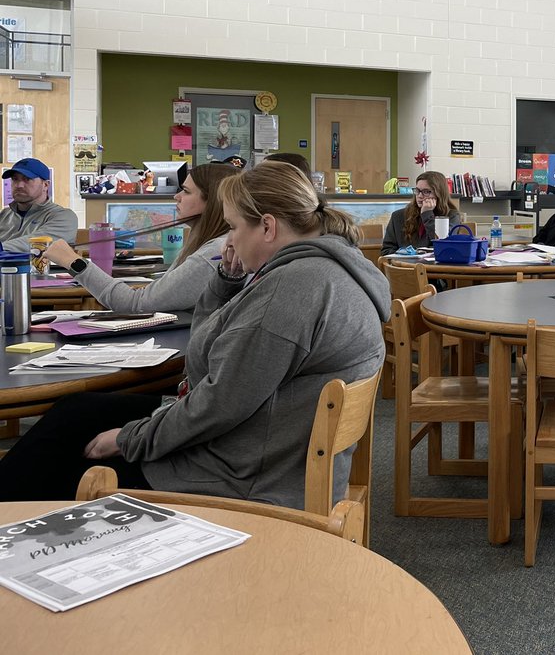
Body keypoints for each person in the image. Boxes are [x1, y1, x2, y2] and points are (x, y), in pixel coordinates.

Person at [0, 161, 390, 505]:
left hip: (244, 474)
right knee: (75, 413)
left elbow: (218, 404)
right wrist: (226, 283)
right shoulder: (333, 267)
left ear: (267, 227)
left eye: (235, 228)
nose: (230, 240)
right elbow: (213, 363)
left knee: (60, 468)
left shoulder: (292, 289)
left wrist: (131, 438)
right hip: (268, 445)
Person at [42, 163, 239, 314]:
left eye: (186, 191)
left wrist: (74, 263)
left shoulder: (213, 254)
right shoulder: (208, 243)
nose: (176, 197)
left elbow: (135, 304)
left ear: (212, 202)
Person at [0, 157, 79, 253]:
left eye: (27, 179)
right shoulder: (4, 215)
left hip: (36, 267)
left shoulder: (64, 217)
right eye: (15, 179)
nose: (19, 185)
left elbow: (39, 244)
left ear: (45, 185)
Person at [380, 170, 462, 255]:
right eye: (417, 191)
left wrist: (427, 214)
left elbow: (444, 244)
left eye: (426, 192)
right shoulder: (398, 216)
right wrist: (407, 255)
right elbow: (386, 251)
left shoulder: (452, 216)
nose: (419, 196)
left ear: (439, 194)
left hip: (436, 266)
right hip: (406, 266)